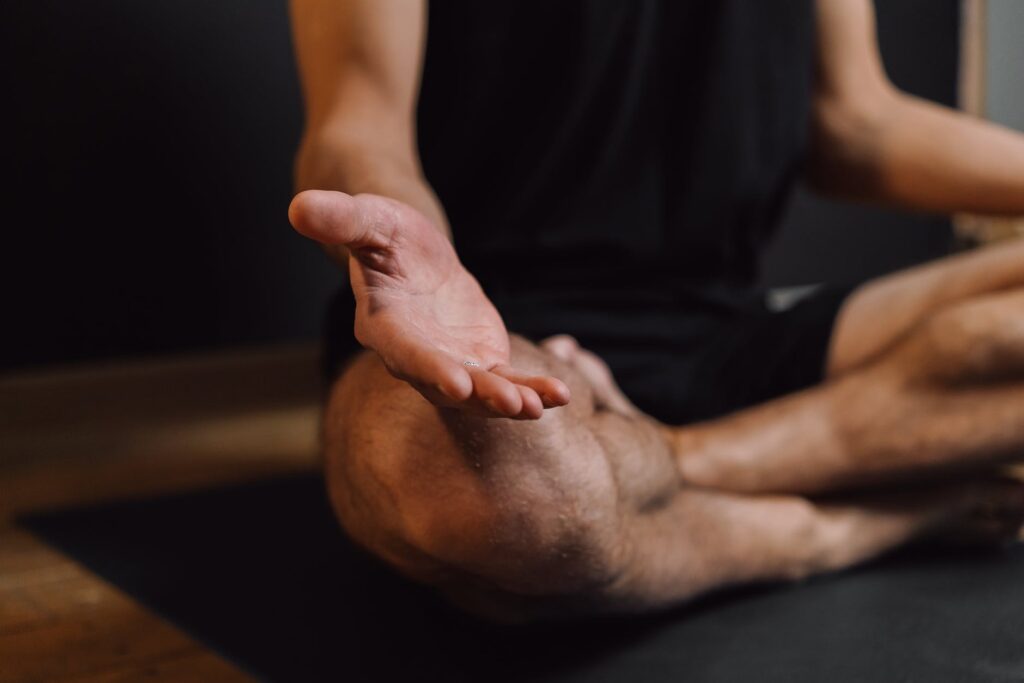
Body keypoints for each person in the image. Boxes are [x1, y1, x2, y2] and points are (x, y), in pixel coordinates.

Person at [286, 0, 1024, 620]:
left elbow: (854, 126)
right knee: (511, 506)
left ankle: (673, 458)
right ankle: (831, 525)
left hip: (729, 327)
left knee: (565, 516)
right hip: (491, 332)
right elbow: (358, 128)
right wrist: (415, 248)